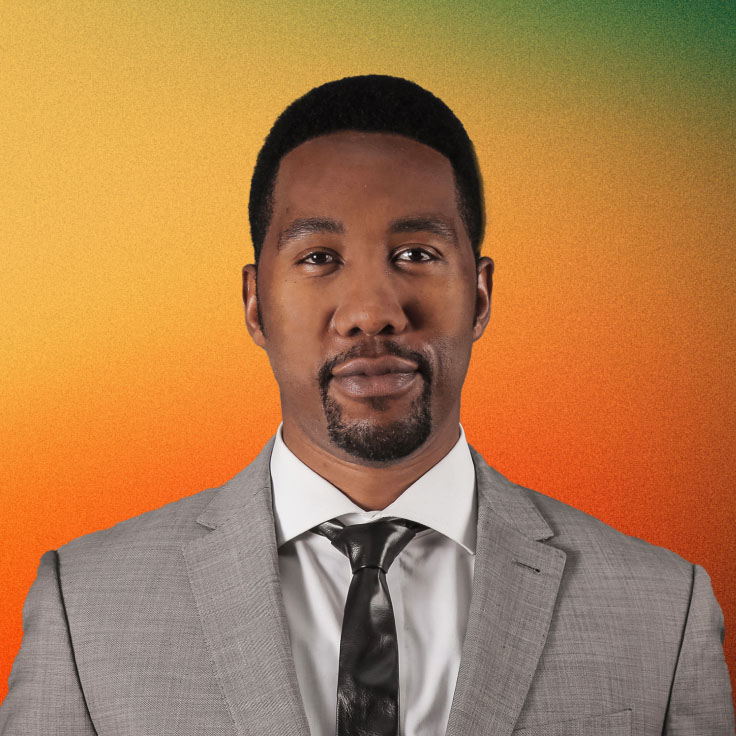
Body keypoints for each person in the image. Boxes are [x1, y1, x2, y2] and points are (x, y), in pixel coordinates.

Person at [1, 74, 733, 736]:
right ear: (256, 305)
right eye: (319, 258)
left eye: (416, 254)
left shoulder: (662, 612)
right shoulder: (86, 608)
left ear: (478, 295)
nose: (373, 312)